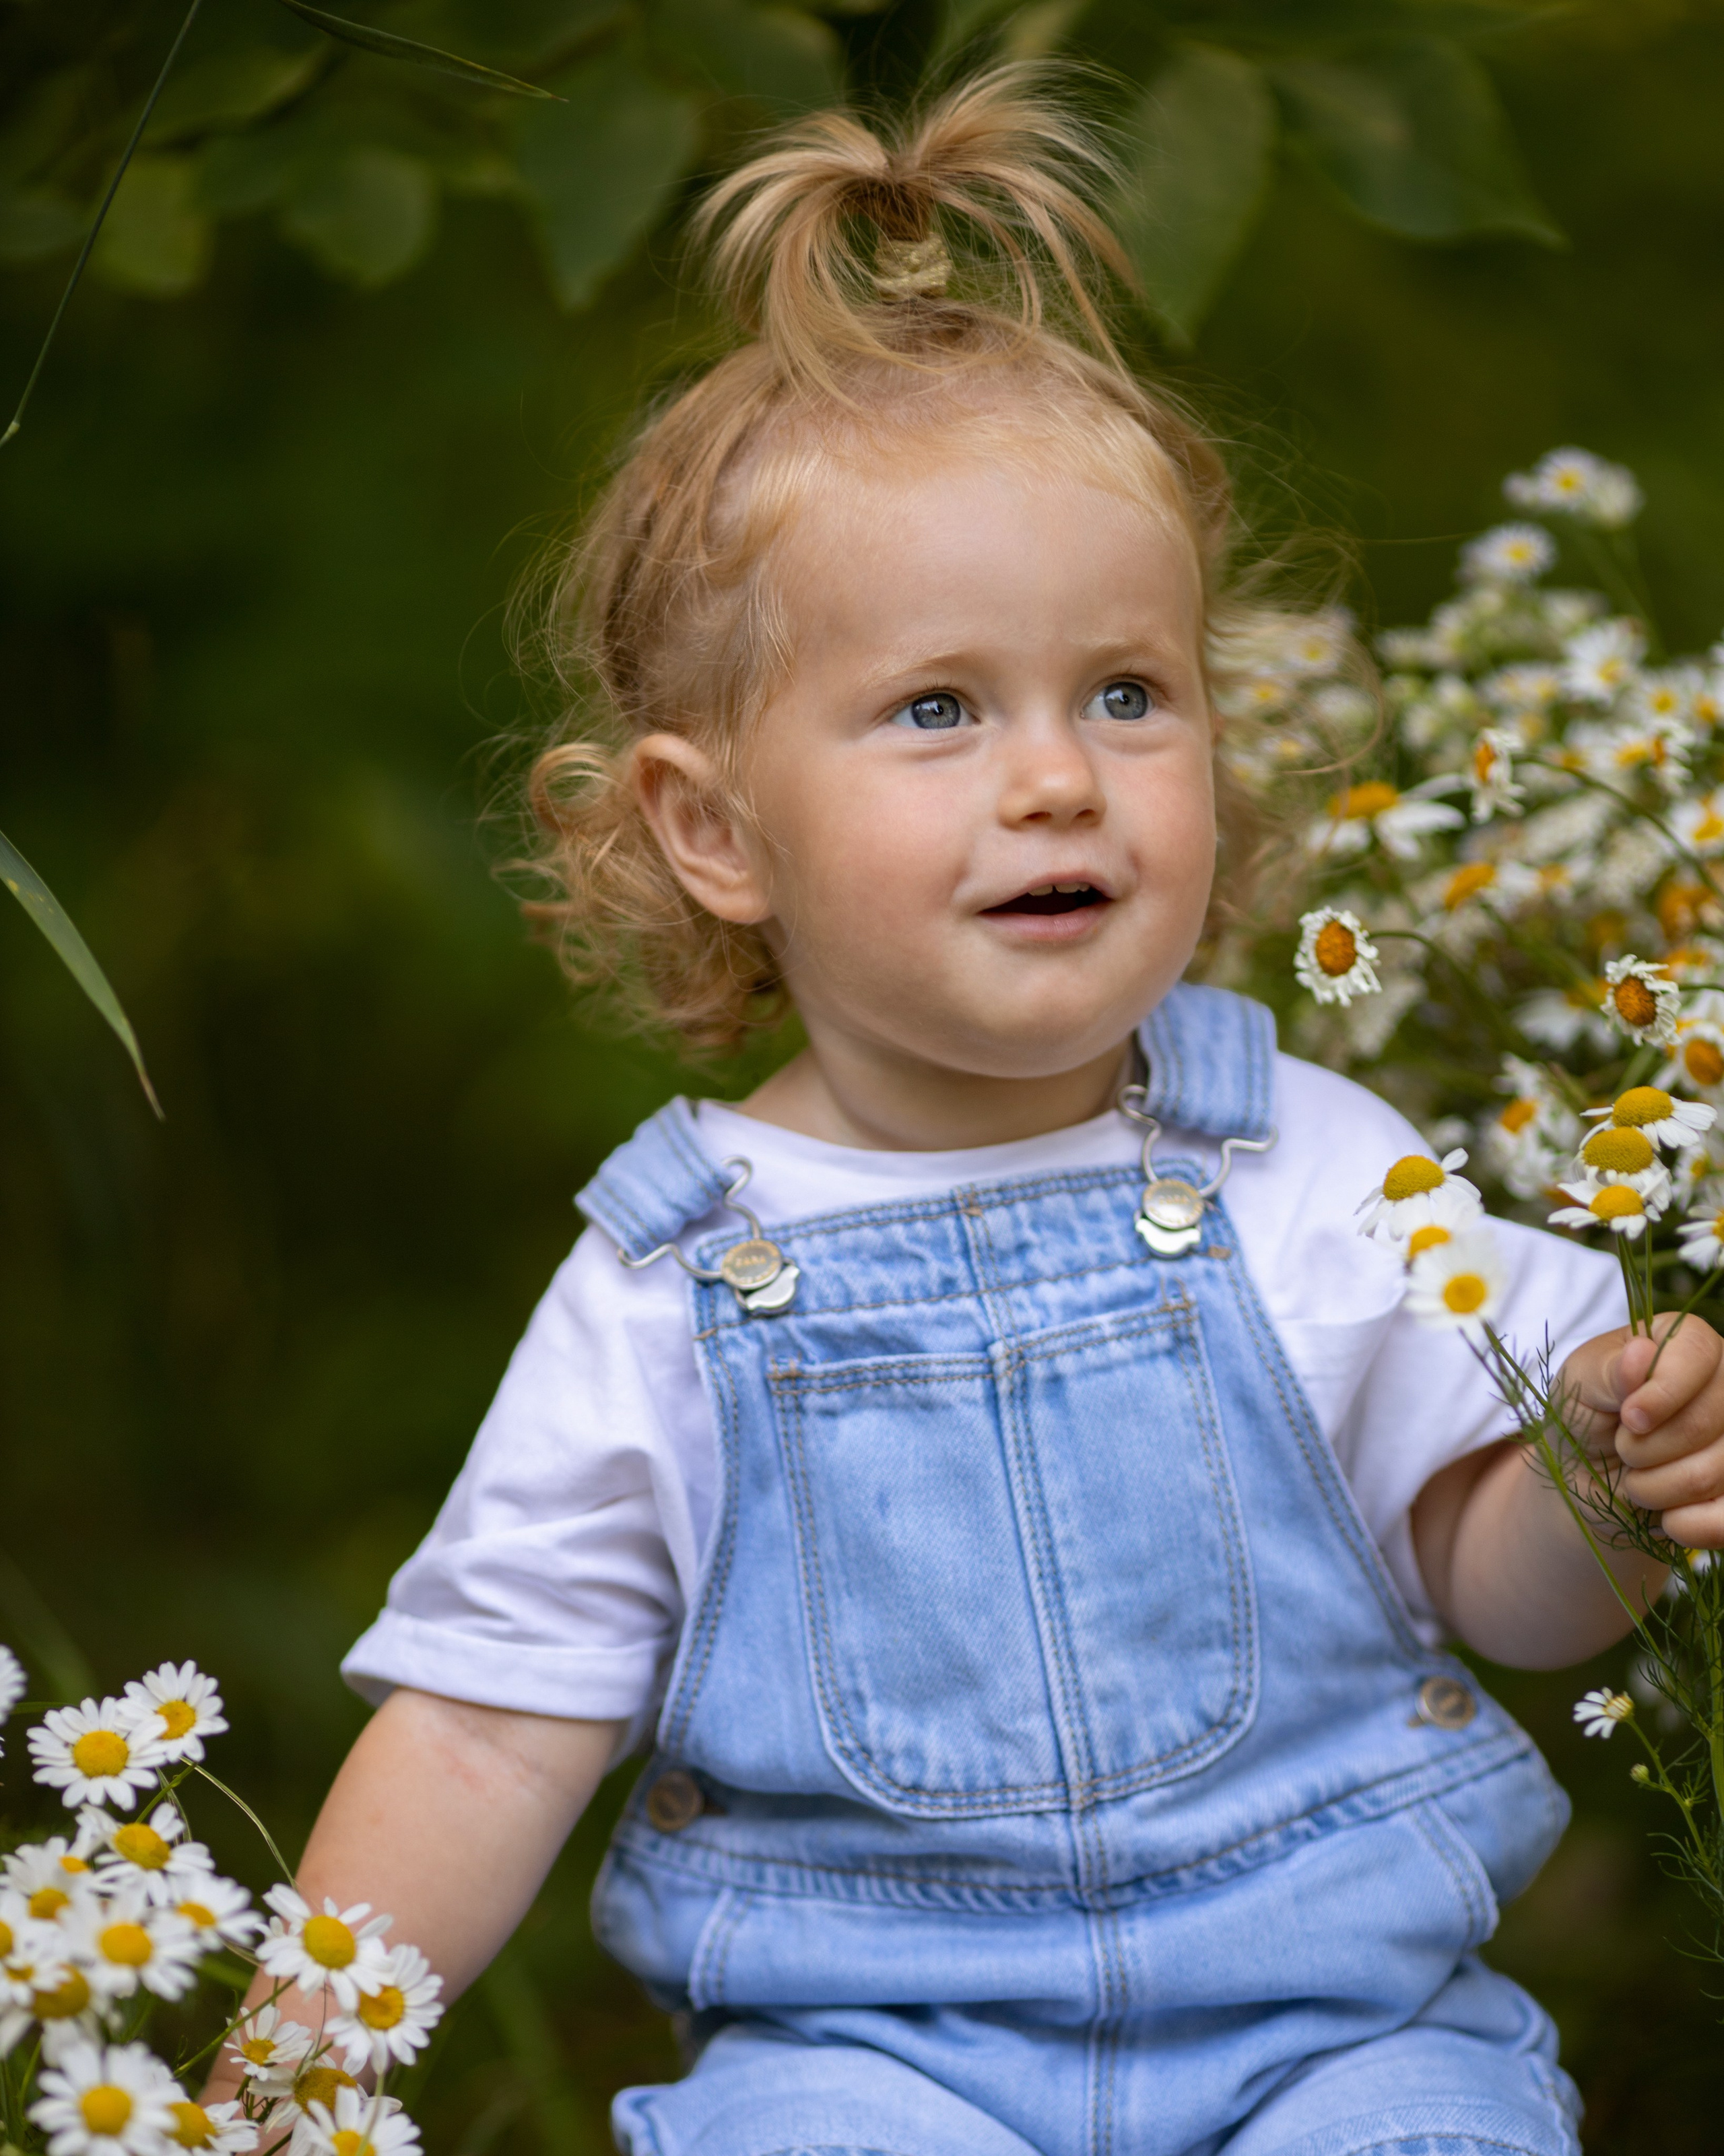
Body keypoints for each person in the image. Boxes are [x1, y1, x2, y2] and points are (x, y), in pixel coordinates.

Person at [215, 70, 1724, 2156]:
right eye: (939, 706)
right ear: (714, 826)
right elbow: (481, 1737)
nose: (1058, 777)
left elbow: (1493, 1585)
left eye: (1128, 691)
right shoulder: (672, 1287)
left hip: (1337, 2025)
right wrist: (284, 2085)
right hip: (873, 2054)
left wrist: (1606, 1481)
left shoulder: (1300, 1164)